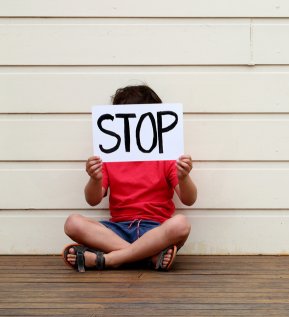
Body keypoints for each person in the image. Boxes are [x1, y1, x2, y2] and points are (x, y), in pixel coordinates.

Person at [62, 85, 197, 272]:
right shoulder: (109, 158)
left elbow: (189, 199)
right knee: (72, 223)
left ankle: (108, 259)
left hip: (155, 230)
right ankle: (148, 257)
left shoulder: (165, 157)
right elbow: (92, 200)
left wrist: (184, 177)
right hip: (118, 231)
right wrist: (94, 178)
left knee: (181, 224)